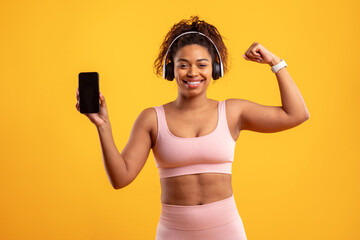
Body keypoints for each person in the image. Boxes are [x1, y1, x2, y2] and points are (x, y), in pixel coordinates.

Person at [75, 16, 310, 240]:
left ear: (214, 69)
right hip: (174, 233)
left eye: (202, 64)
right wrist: (103, 126)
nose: (193, 73)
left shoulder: (232, 112)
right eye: (183, 65)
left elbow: (296, 114)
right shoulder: (151, 119)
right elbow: (120, 178)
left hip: (227, 232)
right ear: (171, 70)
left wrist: (275, 62)